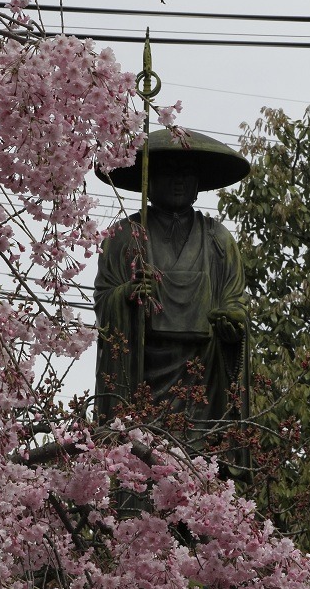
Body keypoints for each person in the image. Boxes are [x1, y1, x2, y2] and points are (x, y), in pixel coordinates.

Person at [94, 129, 250, 470]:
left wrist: (232, 322)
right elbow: (105, 299)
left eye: (187, 174)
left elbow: (235, 301)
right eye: (169, 173)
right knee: (142, 471)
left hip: (202, 376)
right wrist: (128, 295)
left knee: (201, 472)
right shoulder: (125, 236)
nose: (179, 182)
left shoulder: (218, 238)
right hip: (142, 372)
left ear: (198, 182)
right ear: (149, 179)